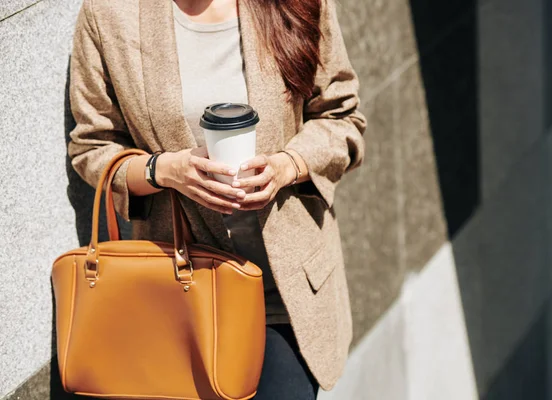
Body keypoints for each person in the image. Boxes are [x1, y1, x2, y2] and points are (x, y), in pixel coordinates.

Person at [68, 0, 366, 398]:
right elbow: (93, 146)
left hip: (284, 296)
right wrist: (165, 171)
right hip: (181, 299)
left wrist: (287, 166)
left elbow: (341, 117)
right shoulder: (110, 14)